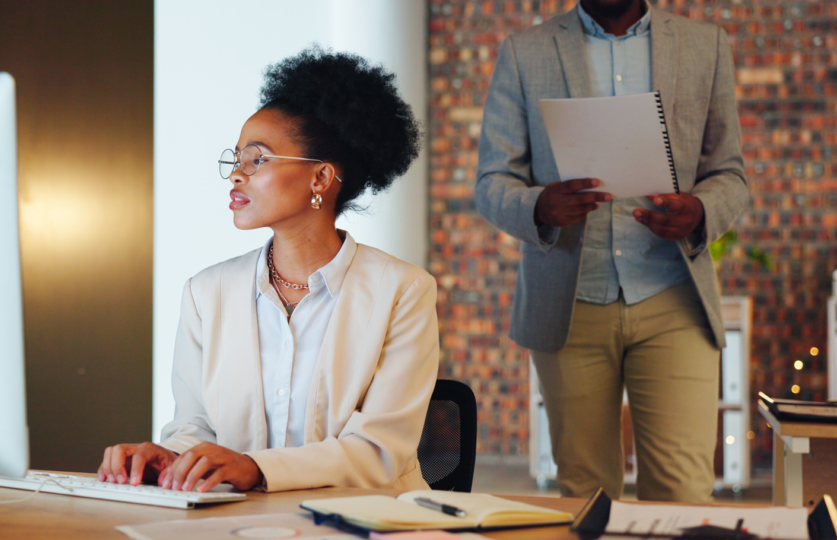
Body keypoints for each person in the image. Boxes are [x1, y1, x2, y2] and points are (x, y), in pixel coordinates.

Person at [97, 47, 438, 493]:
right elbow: (195, 426)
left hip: (366, 522)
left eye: (257, 159)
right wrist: (171, 457)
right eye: (236, 159)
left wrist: (256, 469)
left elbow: (379, 452)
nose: (236, 175)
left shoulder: (403, 291)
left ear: (320, 179)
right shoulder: (206, 292)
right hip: (243, 523)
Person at [475, 0, 748, 502]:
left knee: (684, 495)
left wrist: (701, 211)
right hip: (569, 304)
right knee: (586, 497)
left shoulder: (704, 45)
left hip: (674, 297)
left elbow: (729, 173)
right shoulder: (524, 52)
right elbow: (492, 181)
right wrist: (539, 206)